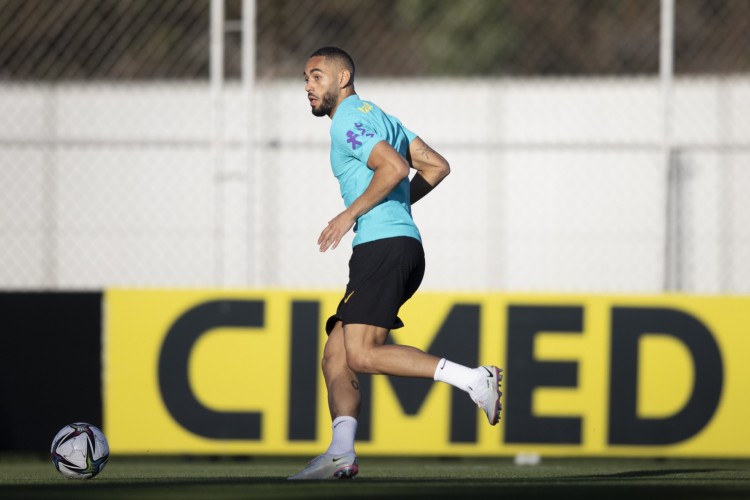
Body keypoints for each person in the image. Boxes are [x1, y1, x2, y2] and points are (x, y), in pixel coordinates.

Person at [289, 47, 502, 480]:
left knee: (362, 354)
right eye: (306, 79)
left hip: (382, 247)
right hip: (394, 242)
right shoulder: (380, 116)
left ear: (343, 76)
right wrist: (396, 205)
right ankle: (340, 453)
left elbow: (396, 166)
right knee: (336, 358)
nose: (308, 86)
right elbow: (435, 166)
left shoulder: (348, 120)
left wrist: (351, 213)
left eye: (316, 77)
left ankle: (474, 379)